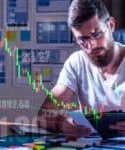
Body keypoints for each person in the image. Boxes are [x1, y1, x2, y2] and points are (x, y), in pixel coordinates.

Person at [37, 0, 125, 140]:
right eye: (83, 39)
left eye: (97, 34)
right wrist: (61, 124)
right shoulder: (76, 62)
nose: (91, 46)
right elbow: (44, 115)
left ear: (111, 25)